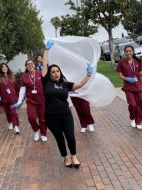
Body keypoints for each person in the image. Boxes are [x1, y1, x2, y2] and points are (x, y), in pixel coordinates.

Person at [42, 40, 93, 168]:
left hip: (65, 115)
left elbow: (80, 84)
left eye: (57, 71)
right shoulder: (46, 82)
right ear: (50, 74)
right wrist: (46, 50)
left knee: (70, 136)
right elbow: (44, 64)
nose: (55, 73)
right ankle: (65, 157)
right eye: (53, 72)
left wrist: (89, 74)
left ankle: (74, 156)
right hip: (51, 116)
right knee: (59, 138)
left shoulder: (65, 84)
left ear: (60, 72)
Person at [116, 45, 142, 130]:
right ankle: (132, 118)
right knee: (132, 104)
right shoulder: (121, 62)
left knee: (139, 104)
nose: (128, 53)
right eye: (126, 51)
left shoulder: (137, 61)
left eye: (130, 51)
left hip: (138, 86)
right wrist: (127, 78)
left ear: (133, 52)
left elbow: (141, 73)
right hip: (128, 87)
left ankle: (138, 121)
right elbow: (120, 75)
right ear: (124, 52)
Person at [12, 60, 47, 142]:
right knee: (31, 117)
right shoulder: (24, 76)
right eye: (28, 64)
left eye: (31, 64)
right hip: (31, 101)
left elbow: (46, 84)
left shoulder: (40, 73)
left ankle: (43, 133)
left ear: (34, 65)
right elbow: (22, 89)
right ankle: (36, 130)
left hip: (42, 100)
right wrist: (19, 101)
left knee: (43, 118)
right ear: (26, 66)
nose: (30, 65)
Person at [0, 63, 20, 134]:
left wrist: (18, 96)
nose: (5, 68)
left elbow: (16, 87)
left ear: (7, 68)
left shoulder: (11, 76)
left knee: (13, 113)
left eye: (6, 67)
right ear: (0, 69)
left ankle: (16, 127)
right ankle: (10, 122)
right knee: (8, 113)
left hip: (12, 99)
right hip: (4, 99)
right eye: (3, 67)